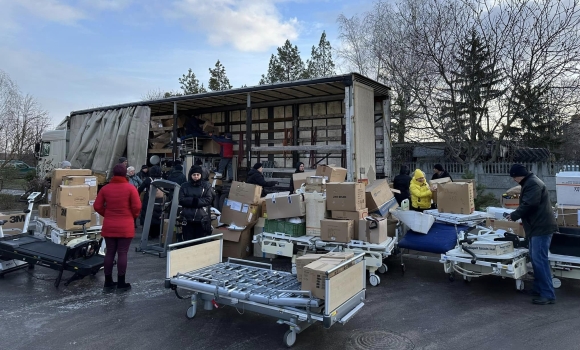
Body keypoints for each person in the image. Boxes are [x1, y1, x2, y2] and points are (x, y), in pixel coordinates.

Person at [506, 164, 557, 305]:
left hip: (541, 228)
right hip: (537, 227)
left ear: (519, 175)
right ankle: (538, 289)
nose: (513, 180)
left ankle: (548, 294)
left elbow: (530, 204)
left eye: (514, 177)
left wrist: (515, 215)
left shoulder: (532, 183)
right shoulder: (531, 181)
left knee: (540, 261)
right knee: (536, 260)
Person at [93, 164, 141, 293]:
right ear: (125, 173)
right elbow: (137, 207)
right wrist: (131, 216)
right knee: (122, 253)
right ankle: (121, 283)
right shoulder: (130, 188)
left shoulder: (105, 189)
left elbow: (97, 206)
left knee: (109, 252)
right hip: (125, 225)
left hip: (109, 224)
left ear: (113, 174)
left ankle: (108, 282)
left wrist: (107, 213)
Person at [179, 165, 214, 241]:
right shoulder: (184, 186)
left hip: (201, 217)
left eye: (198, 175)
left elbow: (208, 199)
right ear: (191, 175)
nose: (196, 176)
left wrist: (195, 202)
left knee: (199, 241)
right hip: (187, 217)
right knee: (187, 241)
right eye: (194, 175)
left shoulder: (206, 186)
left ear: (201, 175)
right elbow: (181, 199)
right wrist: (195, 201)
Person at [138, 165, 164, 239]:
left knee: (147, 216)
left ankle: (147, 234)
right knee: (157, 216)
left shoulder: (148, 180)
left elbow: (140, 189)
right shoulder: (162, 179)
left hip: (148, 200)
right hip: (159, 201)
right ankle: (156, 234)